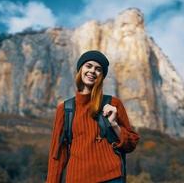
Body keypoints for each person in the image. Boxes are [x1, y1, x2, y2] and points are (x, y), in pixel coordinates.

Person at [46, 50, 140, 183]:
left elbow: (131, 144)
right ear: (81, 69)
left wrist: (114, 125)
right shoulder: (65, 109)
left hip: (111, 177)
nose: (92, 71)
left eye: (98, 69)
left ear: (101, 75)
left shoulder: (113, 104)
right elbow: (57, 155)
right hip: (77, 179)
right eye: (88, 66)